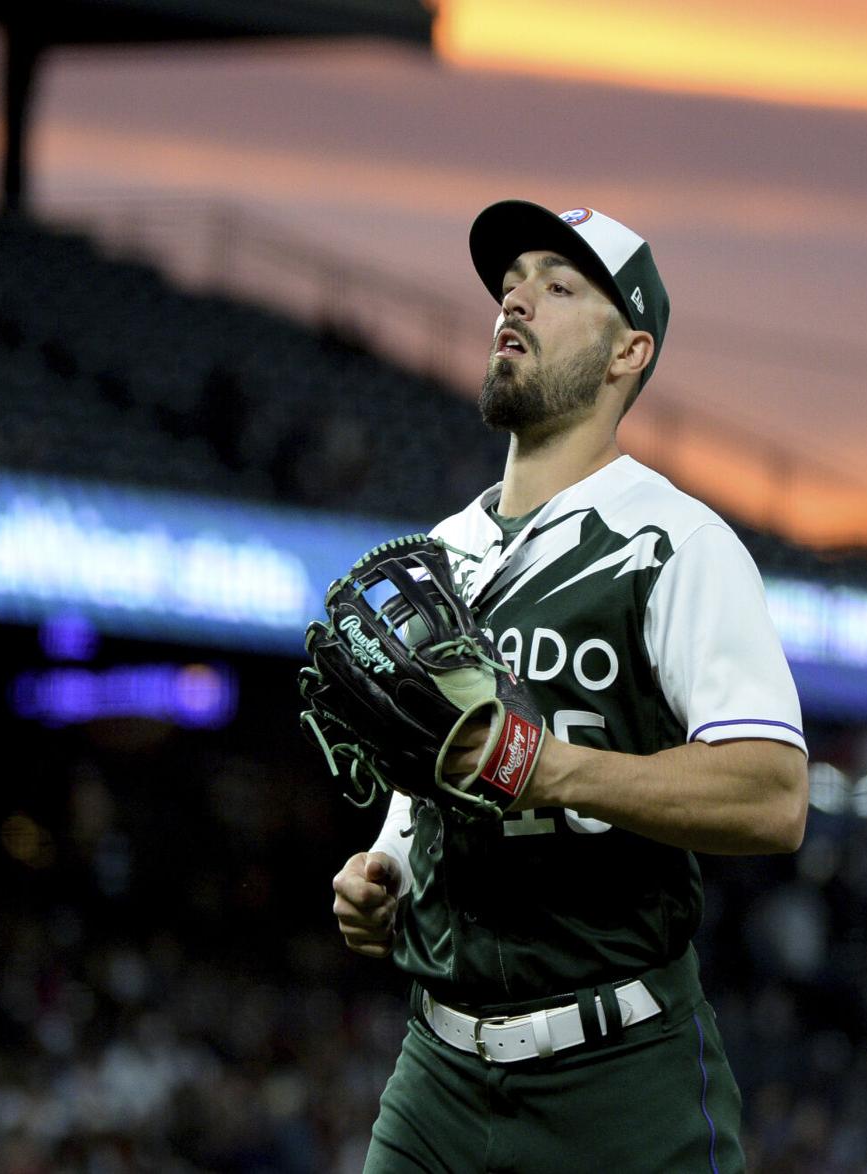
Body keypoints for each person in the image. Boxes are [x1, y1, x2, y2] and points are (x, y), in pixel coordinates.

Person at [332, 200, 809, 1173]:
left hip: (619, 1078)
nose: (516, 299)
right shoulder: (439, 552)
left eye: (558, 285)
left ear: (628, 350)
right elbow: (424, 779)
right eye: (510, 284)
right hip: (437, 1076)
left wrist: (543, 766)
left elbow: (771, 794)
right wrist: (380, 871)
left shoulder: (674, 542)